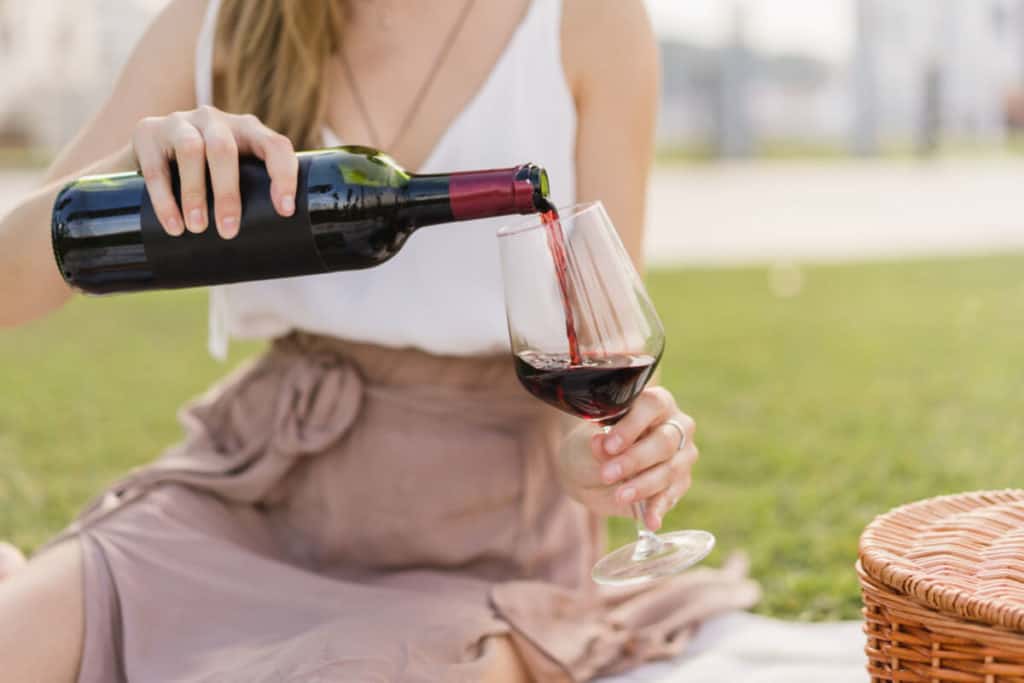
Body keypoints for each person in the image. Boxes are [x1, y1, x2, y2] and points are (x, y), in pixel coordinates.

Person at [0, 0, 758, 680]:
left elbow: (599, 334)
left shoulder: (587, 20)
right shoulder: (220, 21)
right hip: (255, 486)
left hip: (479, 538)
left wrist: (604, 452)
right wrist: (126, 175)